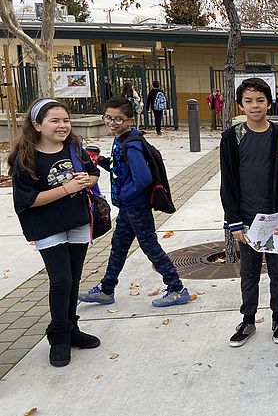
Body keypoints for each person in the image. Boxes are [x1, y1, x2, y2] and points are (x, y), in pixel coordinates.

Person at [9, 98, 101, 367]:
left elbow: (93, 172)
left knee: (73, 279)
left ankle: (72, 330)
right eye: (55, 120)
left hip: (78, 222)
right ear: (37, 125)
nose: (63, 125)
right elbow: (26, 201)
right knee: (60, 281)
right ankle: (58, 338)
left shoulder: (74, 148)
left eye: (66, 120)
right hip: (48, 228)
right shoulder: (26, 158)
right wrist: (67, 189)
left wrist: (88, 180)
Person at [78, 97, 191, 307]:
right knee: (119, 247)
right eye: (108, 118)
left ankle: (176, 288)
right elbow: (122, 169)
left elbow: (143, 178)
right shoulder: (122, 139)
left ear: (129, 119)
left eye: (118, 119)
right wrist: (102, 161)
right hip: (128, 207)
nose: (112, 123)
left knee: (149, 246)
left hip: (135, 206)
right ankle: (106, 289)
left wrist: (126, 195)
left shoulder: (131, 144)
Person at [220, 77, 278, 347]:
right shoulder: (232, 138)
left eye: (260, 100)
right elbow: (228, 182)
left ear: (269, 103)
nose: (255, 106)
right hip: (245, 220)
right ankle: (248, 319)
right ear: (240, 105)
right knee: (249, 271)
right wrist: (233, 222)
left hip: (275, 219)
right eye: (248, 101)